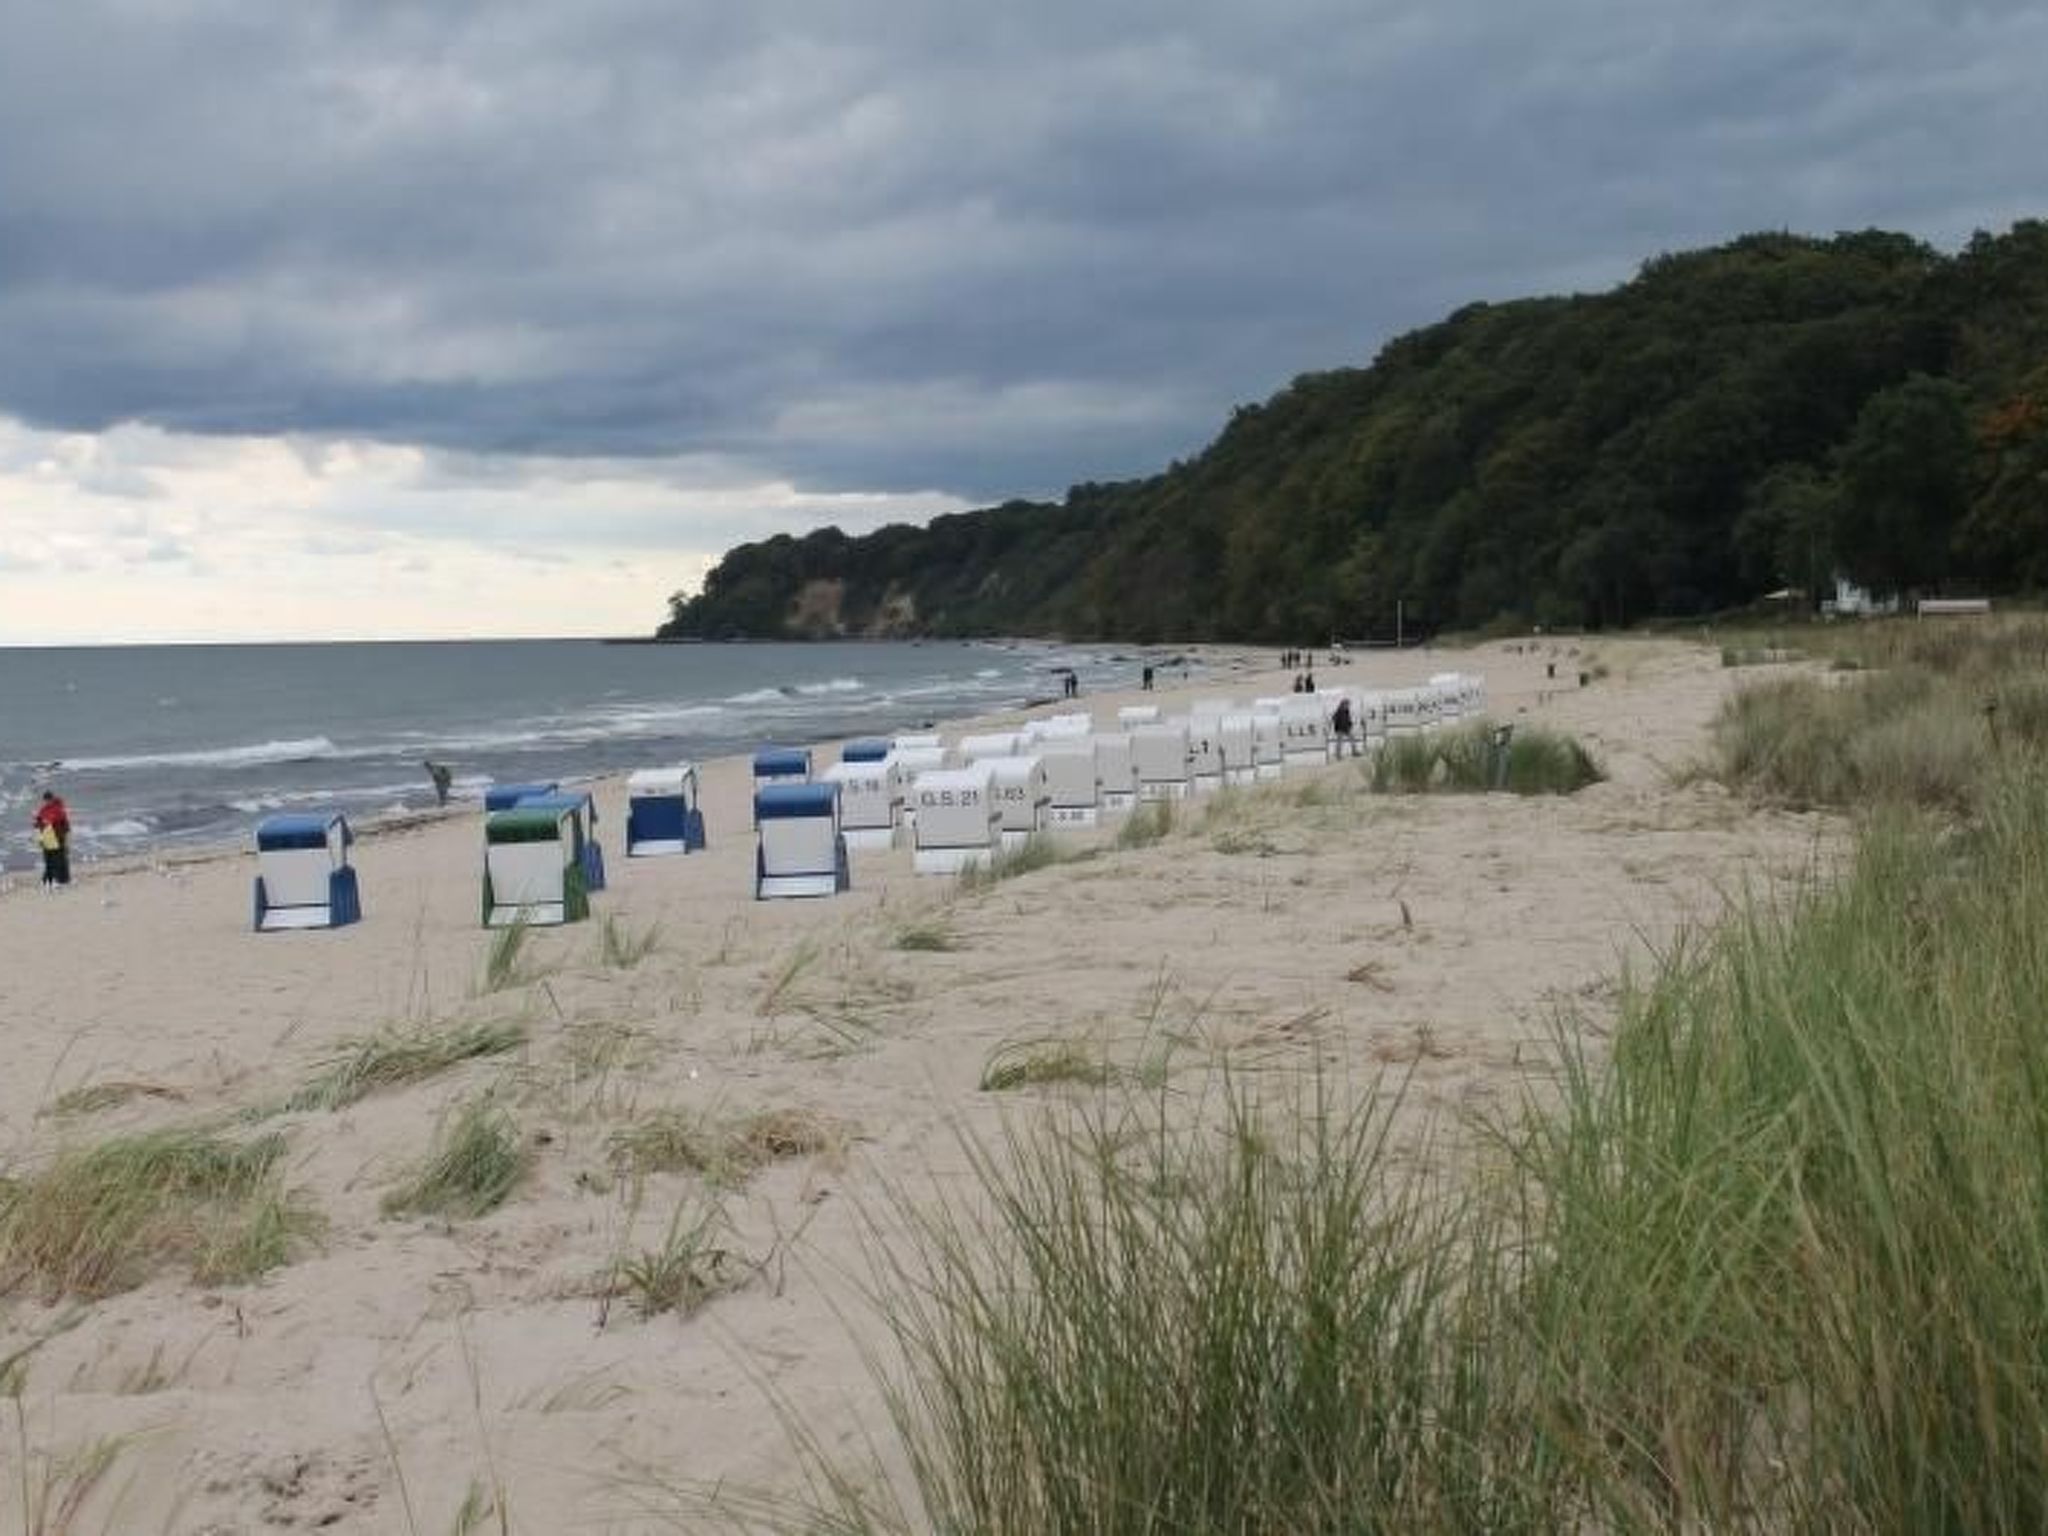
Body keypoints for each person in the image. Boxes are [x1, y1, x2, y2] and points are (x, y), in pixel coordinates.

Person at [33, 790, 71, 888]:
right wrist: (37, 821)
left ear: (52, 799)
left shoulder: (59, 808)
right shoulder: (43, 809)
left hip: (58, 837)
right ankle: (48, 880)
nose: (47, 802)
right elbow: (38, 822)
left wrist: (44, 822)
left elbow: (62, 822)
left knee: (59, 858)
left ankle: (61, 880)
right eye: (45, 800)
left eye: (48, 800)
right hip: (47, 837)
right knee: (48, 859)